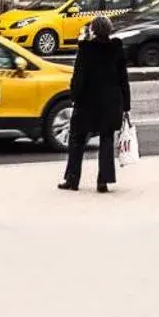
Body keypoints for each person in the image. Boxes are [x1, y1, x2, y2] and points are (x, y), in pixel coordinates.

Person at [59, 15, 130, 193]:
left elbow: (79, 77)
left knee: (77, 139)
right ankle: (103, 181)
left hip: (87, 103)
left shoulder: (86, 50)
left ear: (93, 30)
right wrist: (126, 105)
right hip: (111, 103)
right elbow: (123, 79)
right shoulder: (116, 49)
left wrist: (74, 96)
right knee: (106, 140)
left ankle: (72, 179)